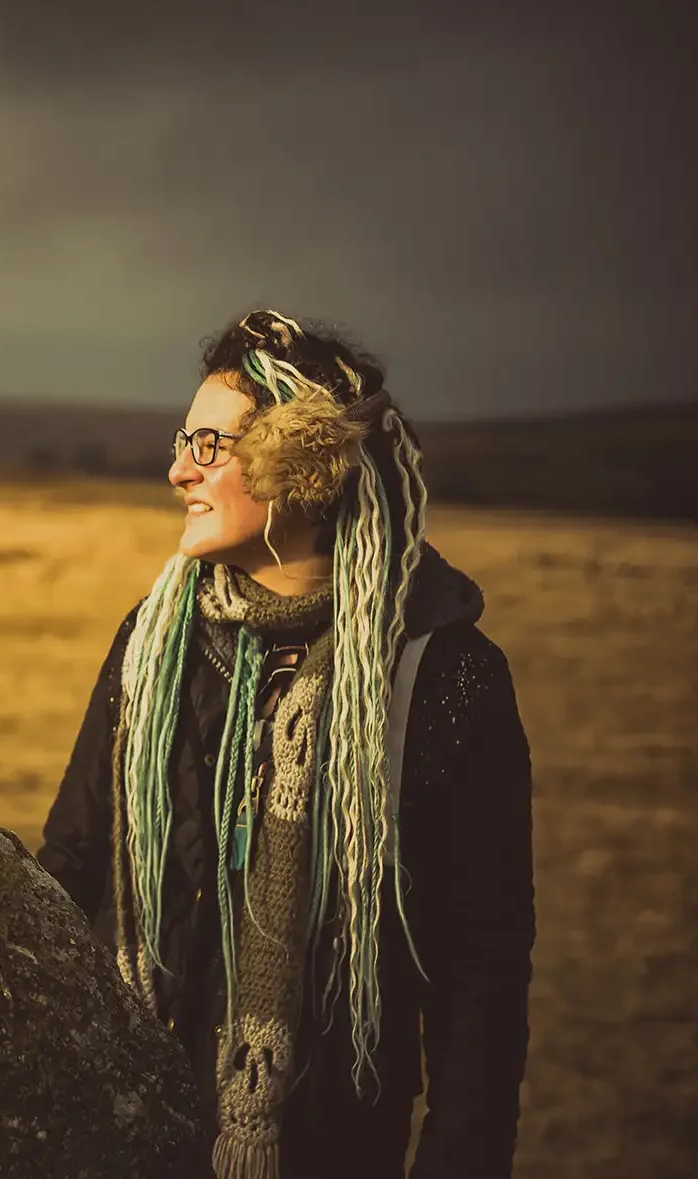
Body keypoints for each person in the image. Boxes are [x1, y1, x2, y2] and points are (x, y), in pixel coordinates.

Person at [36, 310, 535, 1179]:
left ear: (302, 463)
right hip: (125, 1135)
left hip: (330, 1151)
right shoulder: (153, 645)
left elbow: (479, 977)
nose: (177, 471)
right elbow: (68, 872)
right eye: (180, 442)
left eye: (208, 446)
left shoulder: (443, 676)